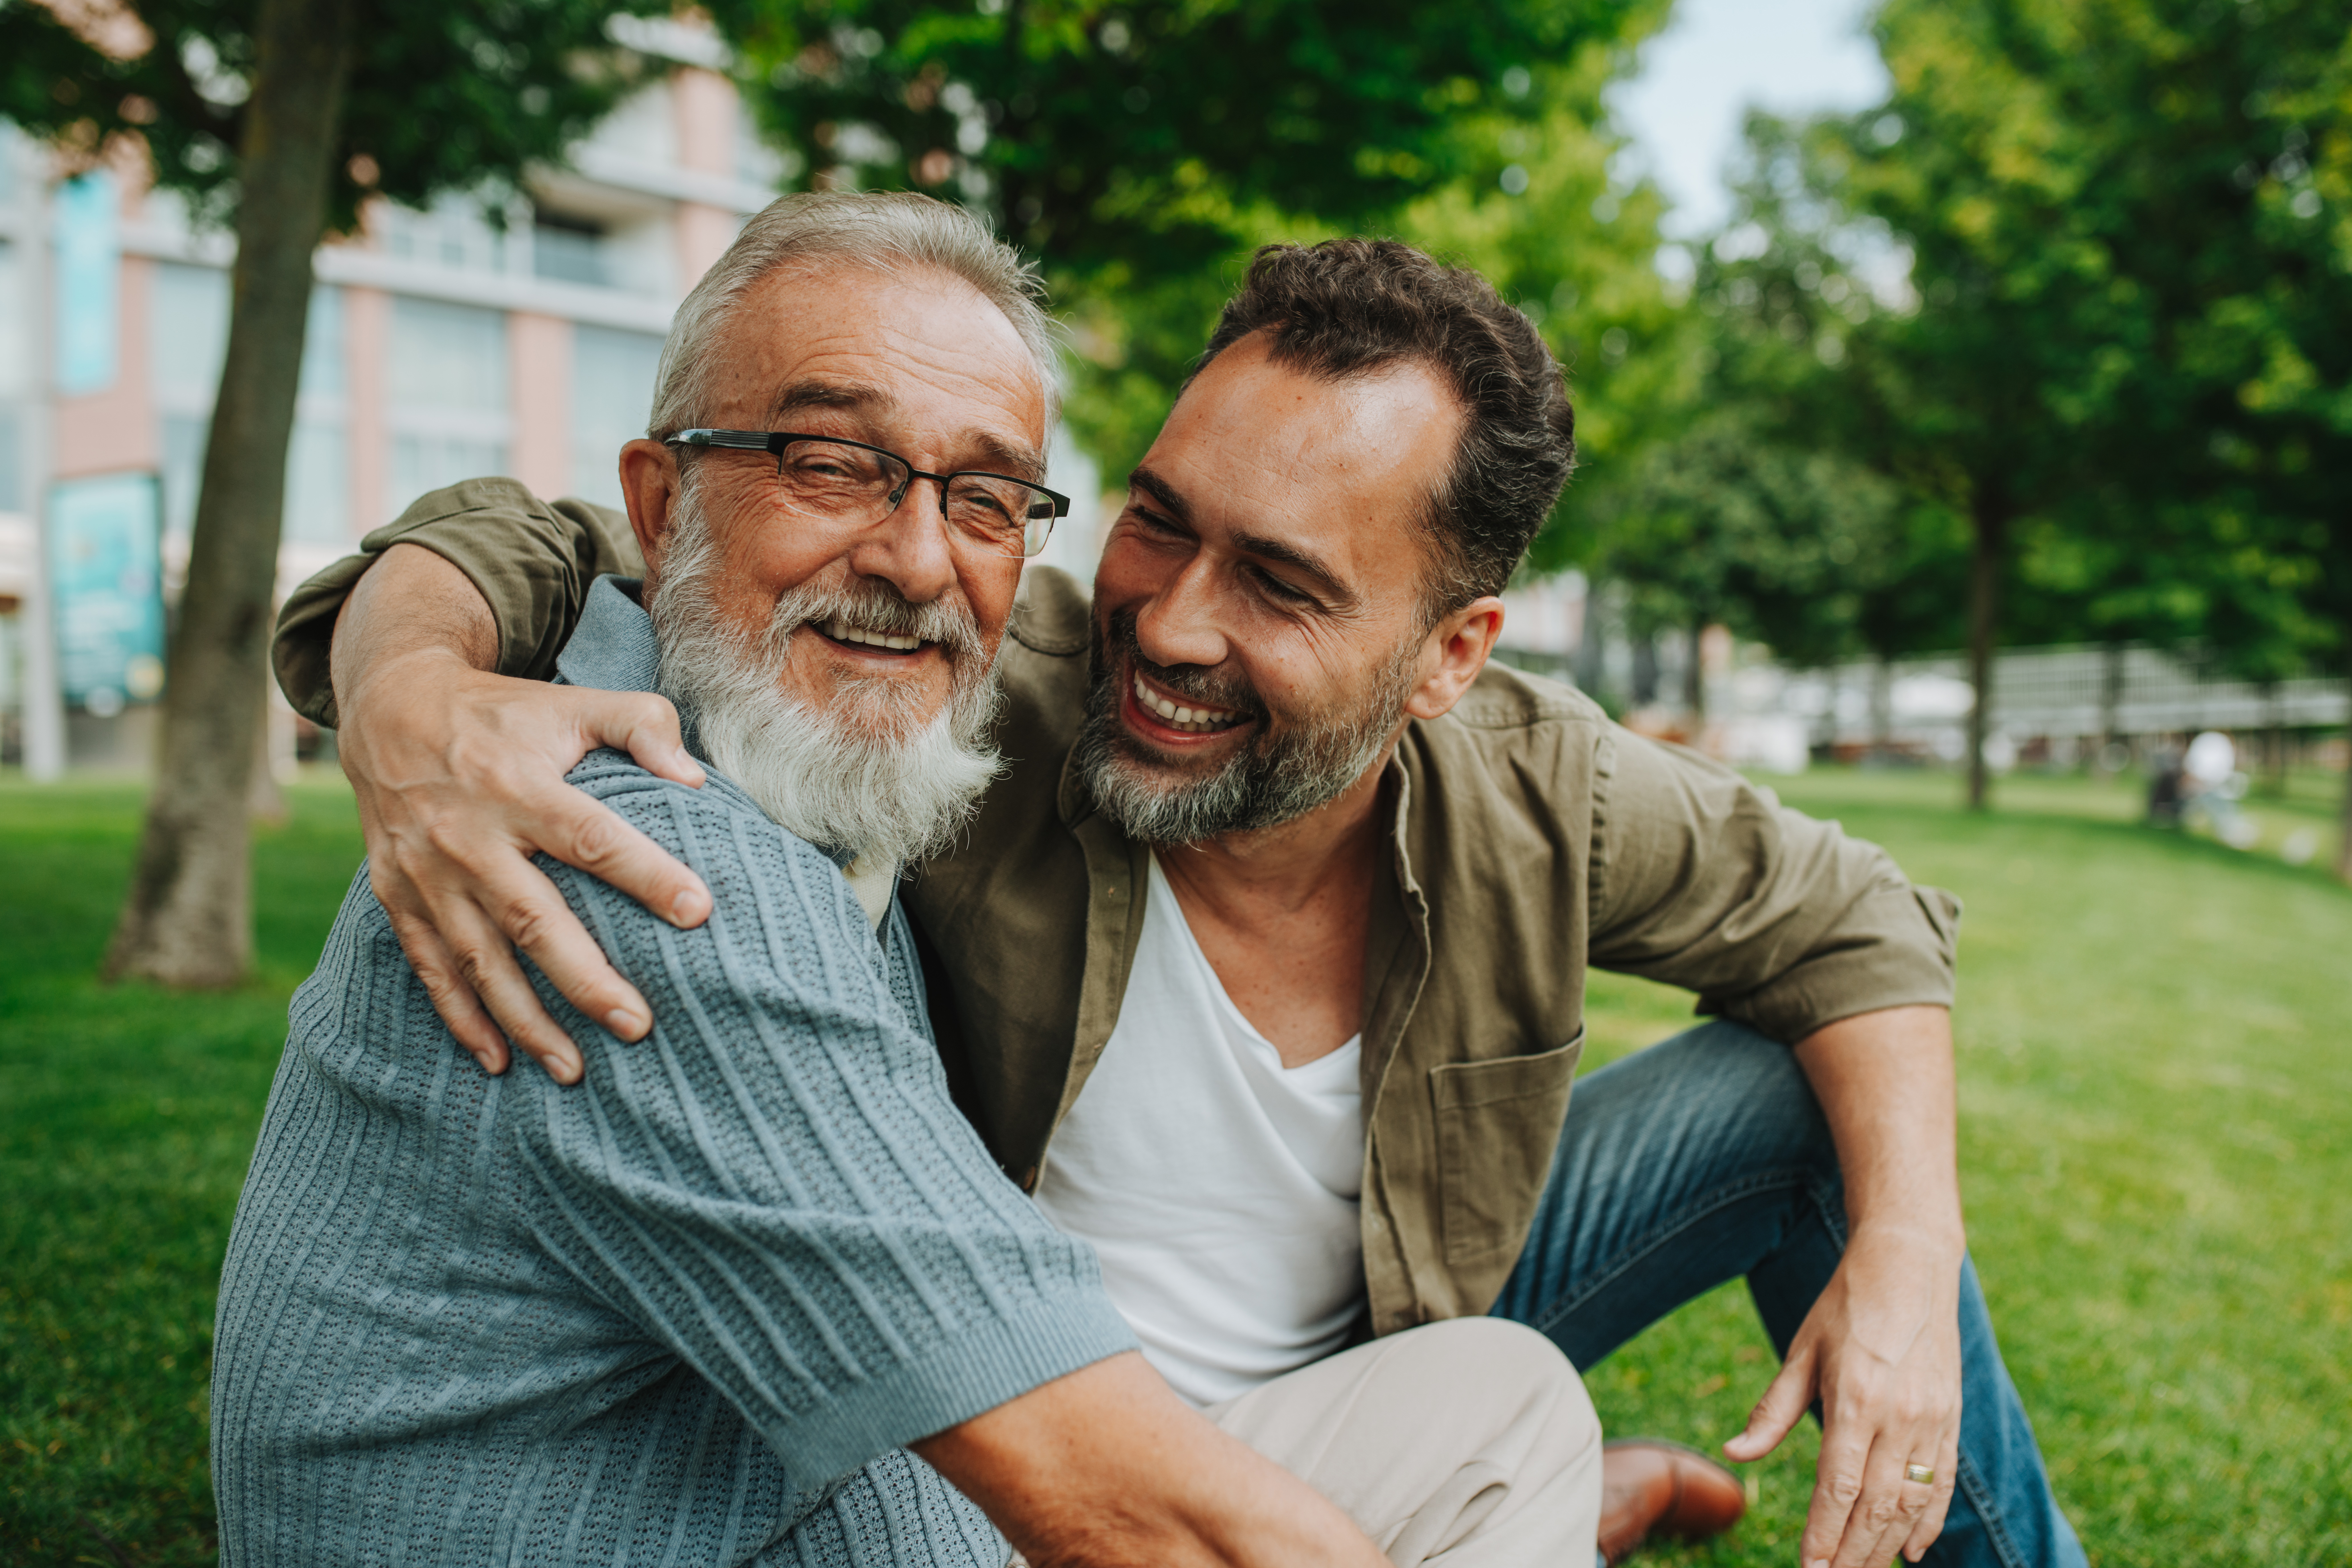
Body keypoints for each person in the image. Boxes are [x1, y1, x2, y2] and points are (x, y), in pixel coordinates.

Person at [280, 220, 2086, 1568]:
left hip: (1371, 1326)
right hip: (1039, 1395)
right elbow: (576, 544)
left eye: (1283, 585)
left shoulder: (1541, 786)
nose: (1173, 623)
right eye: (1160, 520)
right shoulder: (968, 670)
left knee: (1781, 1123)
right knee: (1463, 1448)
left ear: (1450, 654)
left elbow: (1864, 925)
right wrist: (409, 689)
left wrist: (1906, 1259)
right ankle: (1547, 1508)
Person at [216, 192, 1608, 1568]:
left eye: (988, 497)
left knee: (1501, 1403)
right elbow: (1131, 1514)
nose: (920, 559)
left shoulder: (801, 791)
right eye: (832, 465)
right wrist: (402, 671)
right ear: (662, 504)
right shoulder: (648, 875)